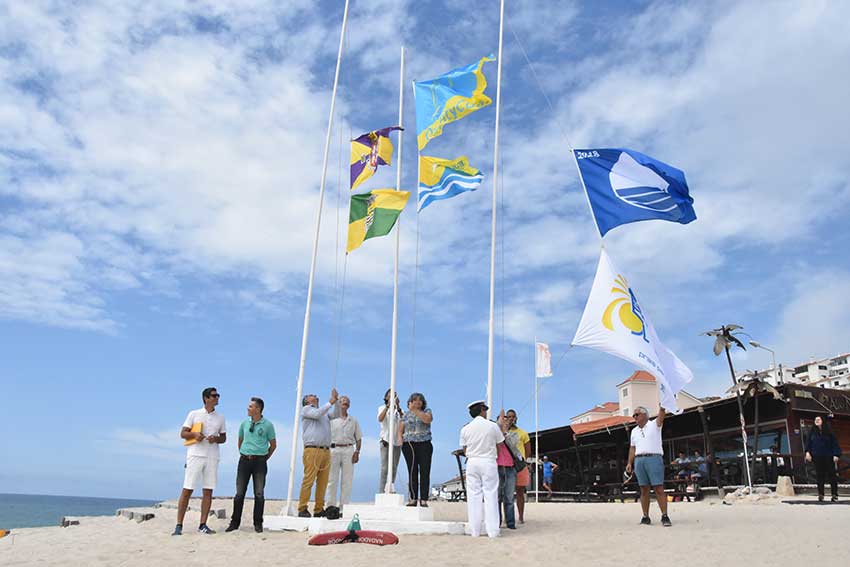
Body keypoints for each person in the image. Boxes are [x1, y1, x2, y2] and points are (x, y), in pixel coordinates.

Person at [173, 387, 227, 536]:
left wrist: (215, 438)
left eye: (218, 395)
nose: (217, 398)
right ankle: (179, 525)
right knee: (187, 489)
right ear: (206, 398)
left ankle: (203, 524)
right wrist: (194, 434)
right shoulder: (194, 414)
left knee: (208, 490)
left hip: (212, 456)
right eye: (214, 396)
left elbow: (223, 438)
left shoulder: (221, 417)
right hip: (195, 455)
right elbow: (183, 433)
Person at [226, 397, 276, 533]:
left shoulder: (268, 425)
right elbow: (240, 440)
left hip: (260, 461)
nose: (248, 408)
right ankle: (234, 523)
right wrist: (244, 453)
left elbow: (273, 445)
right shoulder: (244, 423)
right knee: (239, 493)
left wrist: (264, 458)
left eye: (250, 406)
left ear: (258, 409)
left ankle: (258, 524)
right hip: (244, 460)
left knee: (259, 493)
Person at [460, 400, 505, 538]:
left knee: (474, 496)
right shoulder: (492, 426)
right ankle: (493, 531)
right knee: (490, 495)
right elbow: (500, 444)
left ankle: (475, 531)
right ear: (482, 410)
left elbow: (464, 448)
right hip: (488, 460)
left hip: (472, 461)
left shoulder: (465, 428)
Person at [297, 389, 340, 517]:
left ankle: (318, 509)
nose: (315, 395)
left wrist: (336, 401)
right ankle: (302, 507)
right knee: (309, 479)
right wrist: (330, 402)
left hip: (325, 450)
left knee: (323, 482)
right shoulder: (306, 409)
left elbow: (336, 414)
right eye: (312, 395)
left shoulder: (323, 413)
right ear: (306, 401)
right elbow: (317, 413)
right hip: (312, 449)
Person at [626, 406, 671, 527]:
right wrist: (630, 462)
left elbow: (661, 416)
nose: (635, 417)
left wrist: (663, 406)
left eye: (637, 414)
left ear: (645, 415)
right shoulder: (634, 431)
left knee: (658, 488)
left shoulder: (654, 425)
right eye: (634, 415)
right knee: (643, 489)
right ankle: (645, 516)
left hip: (654, 458)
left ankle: (665, 516)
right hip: (639, 460)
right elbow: (632, 448)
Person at [326, 396, 362, 514]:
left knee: (347, 480)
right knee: (331, 480)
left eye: (346, 403)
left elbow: (358, 438)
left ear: (349, 406)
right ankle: (330, 505)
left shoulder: (353, 420)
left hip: (348, 450)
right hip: (334, 449)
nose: (344, 404)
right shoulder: (331, 419)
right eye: (342, 402)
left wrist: (357, 452)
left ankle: (343, 508)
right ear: (338, 404)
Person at [397, 392, 433, 507]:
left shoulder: (427, 411)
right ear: (410, 402)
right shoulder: (406, 415)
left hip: (424, 444)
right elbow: (400, 430)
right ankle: (413, 498)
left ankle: (423, 499)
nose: (417, 402)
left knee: (424, 471)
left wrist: (416, 410)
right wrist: (401, 441)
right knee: (412, 471)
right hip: (409, 444)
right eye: (414, 400)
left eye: (419, 400)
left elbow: (427, 420)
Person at [805, 415, 842, 502]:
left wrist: (836, 454)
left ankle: (834, 495)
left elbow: (835, 443)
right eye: (815, 419)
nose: (816, 420)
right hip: (817, 457)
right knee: (819, 476)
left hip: (828, 456)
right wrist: (807, 452)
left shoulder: (829, 431)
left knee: (832, 476)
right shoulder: (812, 432)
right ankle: (821, 494)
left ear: (822, 421)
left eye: (818, 419)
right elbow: (808, 443)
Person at [505, 409, 531, 523]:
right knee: (507, 493)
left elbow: (528, 451)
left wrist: (523, 461)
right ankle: (507, 517)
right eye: (509, 416)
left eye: (513, 416)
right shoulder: (502, 432)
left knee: (520, 492)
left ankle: (520, 516)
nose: (511, 418)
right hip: (507, 465)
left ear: (516, 418)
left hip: (519, 465)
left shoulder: (523, 433)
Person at [497, 414, 520, 530]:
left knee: (509, 497)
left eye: (507, 422)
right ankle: (497, 522)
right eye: (502, 421)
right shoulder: (493, 434)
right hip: (496, 467)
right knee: (497, 497)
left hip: (510, 467)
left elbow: (513, 444)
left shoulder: (513, 434)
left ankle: (510, 523)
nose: (505, 423)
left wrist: (505, 432)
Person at [378, 388, 403, 493]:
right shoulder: (382, 408)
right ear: (386, 397)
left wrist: (399, 407)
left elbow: (404, 420)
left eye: (395, 395)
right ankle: (382, 491)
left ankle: (390, 488)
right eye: (390, 395)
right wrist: (388, 407)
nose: (392, 397)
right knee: (384, 468)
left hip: (397, 443)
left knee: (394, 468)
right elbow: (380, 418)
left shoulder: (399, 411)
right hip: (385, 441)